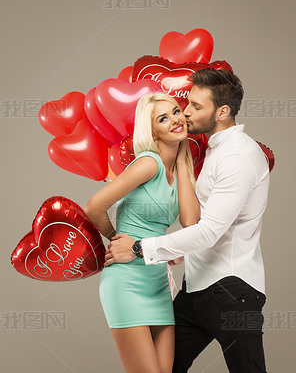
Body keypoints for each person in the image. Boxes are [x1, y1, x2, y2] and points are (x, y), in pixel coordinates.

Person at [105, 68, 270, 373]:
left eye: (196, 106)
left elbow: (207, 232)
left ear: (221, 111)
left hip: (232, 293)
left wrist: (140, 248)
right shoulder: (214, 150)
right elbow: (199, 221)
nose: (187, 112)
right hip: (196, 291)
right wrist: (177, 249)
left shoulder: (238, 156)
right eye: (188, 104)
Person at [84, 92, 200, 373]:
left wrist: (183, 158)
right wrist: (115, 240)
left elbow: (190, 222)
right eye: (163, 118)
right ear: (153, 132)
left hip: (158, 283)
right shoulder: (149, 163)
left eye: (175, 111)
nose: (175, 119)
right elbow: (95, 206)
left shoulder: (179, 168)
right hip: (126, 284)